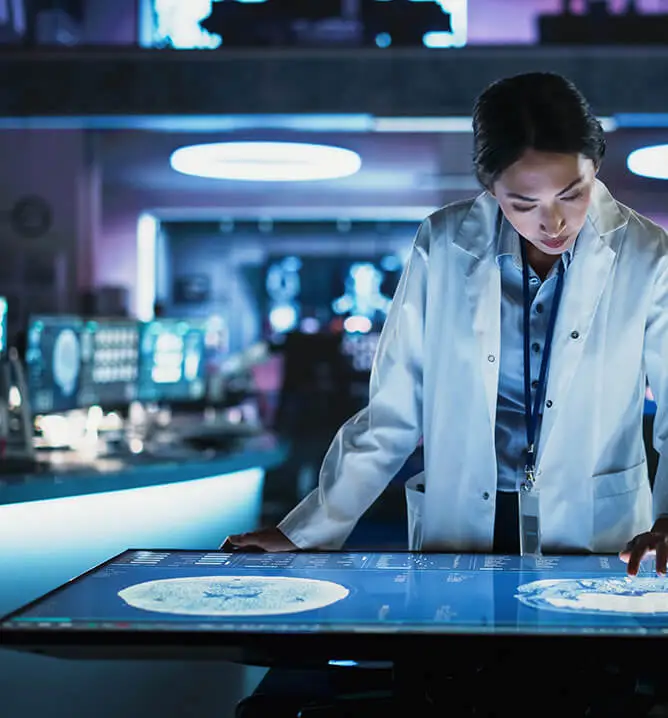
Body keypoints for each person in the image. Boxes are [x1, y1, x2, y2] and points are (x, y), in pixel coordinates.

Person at [223, 72, 668, 576]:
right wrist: (304, 530)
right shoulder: (442, 244)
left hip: (598, 527)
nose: (553, 222)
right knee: (455, 651)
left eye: (572, 193)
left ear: (596, 167)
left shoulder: (647, 254)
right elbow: (394, 408)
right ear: (491, 188)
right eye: (524, 204)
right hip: (463, 518)